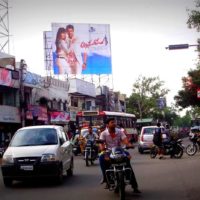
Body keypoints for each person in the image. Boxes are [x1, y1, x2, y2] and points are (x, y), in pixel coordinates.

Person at [99, 118, 141, 193]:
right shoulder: (103, 133)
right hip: (109, 151)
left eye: (114, 122)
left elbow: (125, 140)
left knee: (128, 163)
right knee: (101, 158)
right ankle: (105, 178)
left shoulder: (120, 132)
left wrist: (129, 145)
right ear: (108, 125)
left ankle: (134, 186)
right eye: (112, 122)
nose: (114, 123)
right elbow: (101, 144)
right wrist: (102, 149)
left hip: (119, 150)